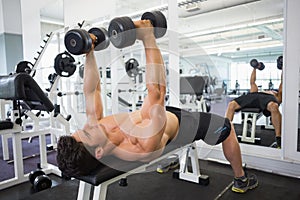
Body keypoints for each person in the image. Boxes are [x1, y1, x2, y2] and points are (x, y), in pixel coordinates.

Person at [56, 20, 258, 193]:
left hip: (162, 116)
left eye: (81, 130)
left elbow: (91, 91)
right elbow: (157, 92)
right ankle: (241, 179)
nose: (89, 126)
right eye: (88, 133)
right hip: (184, 125)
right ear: (99, 152)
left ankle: (172, 160)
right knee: (227, 128)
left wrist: (89, 52)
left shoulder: (96, 129)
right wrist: (148, 38)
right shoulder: (141, 145)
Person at [225, 65, 282, 148]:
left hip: (267, 99)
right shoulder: (258, 90)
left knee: (274, 106)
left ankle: (278, 138)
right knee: (231, 104)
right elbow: (252, 82)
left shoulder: (275, 94)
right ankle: (225, 130)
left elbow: (282, 83)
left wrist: (283, 68)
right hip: (253, 96)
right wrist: (255, 67)